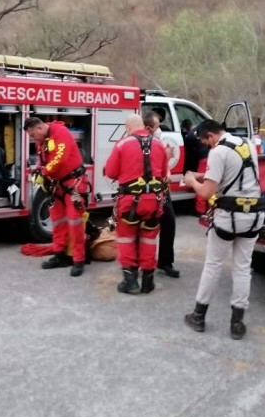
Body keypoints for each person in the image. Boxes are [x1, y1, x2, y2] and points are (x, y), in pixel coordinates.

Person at [183, 119, 263, 340]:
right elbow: (235, 175)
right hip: (253, 215)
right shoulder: (247, 144)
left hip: (228, 217)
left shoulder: (217, 152)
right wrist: (204, 176)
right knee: (242, 268)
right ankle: (237, 324)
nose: (208, 146)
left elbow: (206, 192)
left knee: (213, 265)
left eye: (206, 142)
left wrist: (191, 180)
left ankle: (199, 316)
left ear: (210, 136)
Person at [104, 114, 169, 294]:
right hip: (154, 202)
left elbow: (110, 172)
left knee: (126, 239)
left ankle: (130, 282)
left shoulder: (123, 144)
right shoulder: (159, 144)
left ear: (128, 128)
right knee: (149, 239)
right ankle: (148, 281)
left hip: (129, 202)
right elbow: (163, 173)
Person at [24, 117, 89, 277]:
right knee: (58, 221)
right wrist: (40, 170)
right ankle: (60, 254)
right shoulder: (44, 140)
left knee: (74, 221)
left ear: (39, 129)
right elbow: (45, 160)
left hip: (73, 182)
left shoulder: (61, 132)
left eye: (33, 135)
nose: (33, 139)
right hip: (57, 185)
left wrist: (44, 172)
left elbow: (60, 158)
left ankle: (78, 259)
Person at [143, 111, 180, 279]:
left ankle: (165, 261)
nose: (159, 130)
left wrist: (167, 173)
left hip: (162, 189)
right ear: (148, 128)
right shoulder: (141, 144)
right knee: (144, 228)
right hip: (145, 191)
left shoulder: (159, 143)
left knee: (169, 222)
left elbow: (164, 164)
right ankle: (139, 264)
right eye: (157, 127)